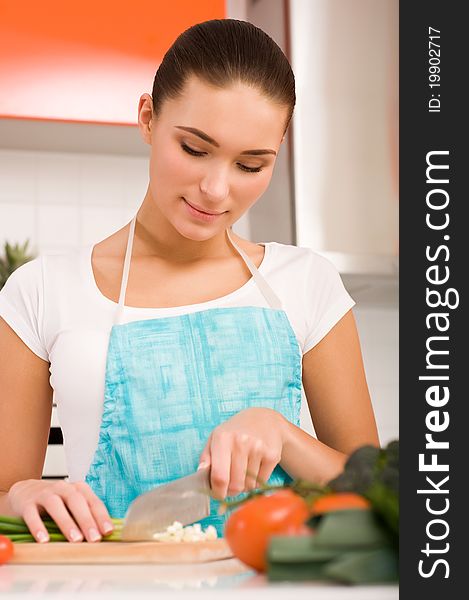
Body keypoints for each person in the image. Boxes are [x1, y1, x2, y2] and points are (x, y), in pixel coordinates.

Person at [0, 19, 379, 543]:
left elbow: (378, 494)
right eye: (196, 150)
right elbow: (4, 494)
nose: (216, 189)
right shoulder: (40, 291)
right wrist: (22, 494)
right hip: (109, 588)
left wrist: (282, 435)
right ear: (149, 118)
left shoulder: (307, 284)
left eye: (250, 164)